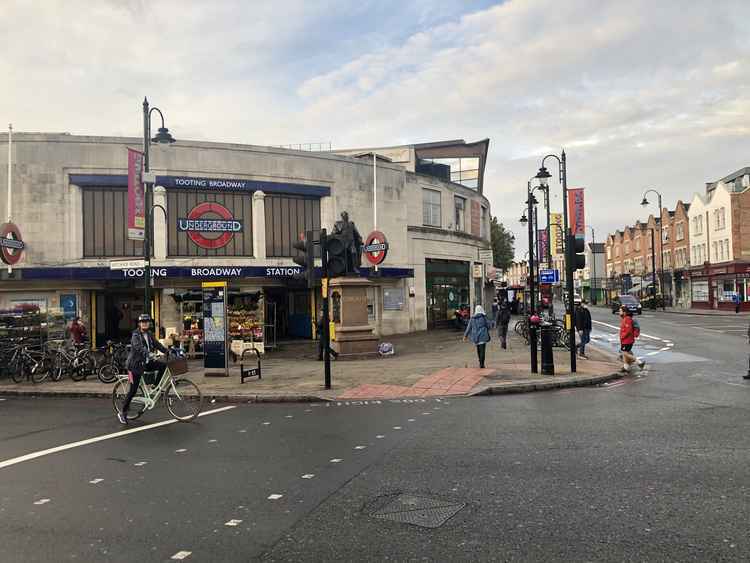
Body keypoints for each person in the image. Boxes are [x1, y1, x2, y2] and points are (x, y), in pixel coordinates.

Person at [119, 314, 168, 424]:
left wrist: (167, 351)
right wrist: (149, 354)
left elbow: (157, 344)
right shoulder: (135, 335)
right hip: (134, 365)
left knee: (163, 365)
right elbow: (139, 347)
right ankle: (122, 412)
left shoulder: (149, 334)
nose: (145, 323)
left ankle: (155, 386)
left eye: (146, 322)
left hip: (145, 363)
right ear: (139, 324)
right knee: (133, 390)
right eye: (143, 322)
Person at [619, 306, 644, 372]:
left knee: (625, 353)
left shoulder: (627, 319)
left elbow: (628, 330)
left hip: (627, 340)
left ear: (624, 312)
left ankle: (639, 362)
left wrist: (622, 336)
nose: (619, 312)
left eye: (620, 311)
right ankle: (626, 367)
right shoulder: (625, 318)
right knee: (625, 353)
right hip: (626, 340)